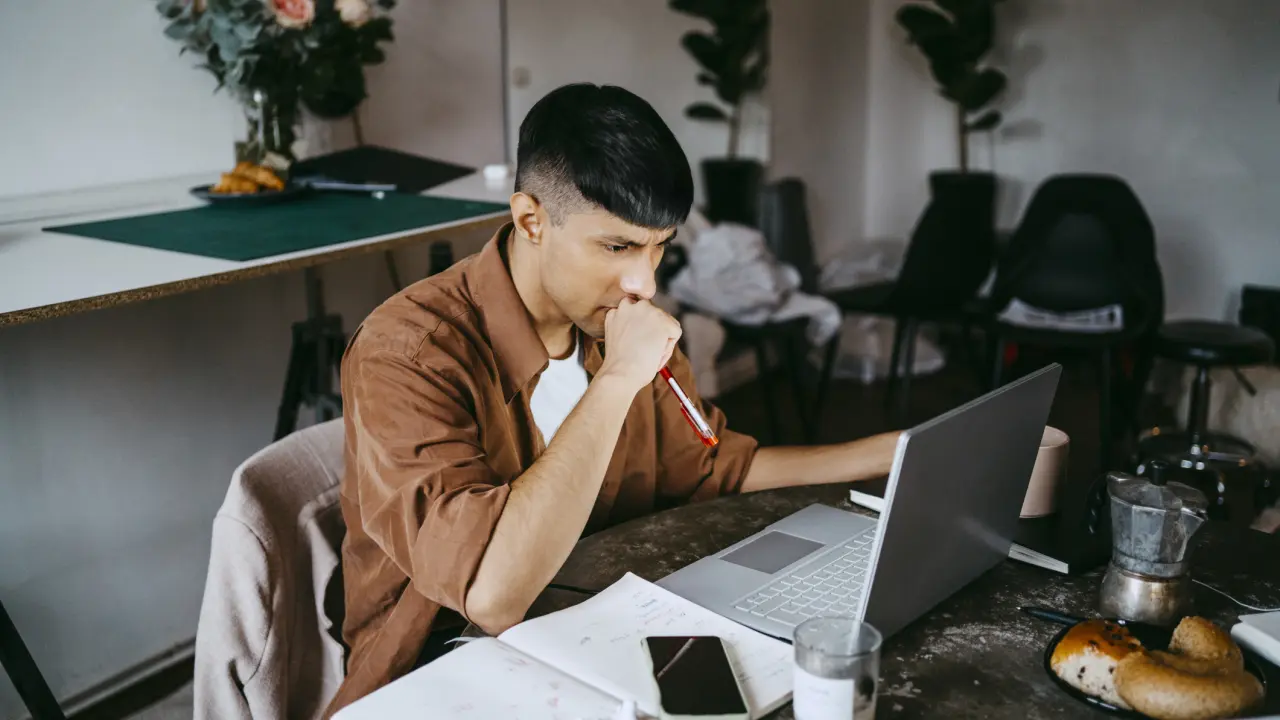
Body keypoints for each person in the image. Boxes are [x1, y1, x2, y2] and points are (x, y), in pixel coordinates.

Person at [324, 83, 900, 716]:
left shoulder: (614, 318)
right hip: (446, 663)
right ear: (531, 220)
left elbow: (716, 466)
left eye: (660, 246)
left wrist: (898, 453)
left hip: (604, 621)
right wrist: (619, 378)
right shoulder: (407, 352)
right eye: (617, 247)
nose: (644, 282)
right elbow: (492, 595)